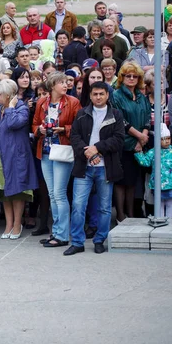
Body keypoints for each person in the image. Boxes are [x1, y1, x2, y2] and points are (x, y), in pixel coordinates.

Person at [67, 81, 125, 255]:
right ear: (90, 96)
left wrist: (97, 147)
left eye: (101, 94)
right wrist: (88, 153)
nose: (98, 97)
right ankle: (77, 242)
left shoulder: (116, 114)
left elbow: (118, 139)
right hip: (84, 166)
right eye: (95, 94)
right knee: (78, 205)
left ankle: (100, 240)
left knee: (105, 207)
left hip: (105, 167)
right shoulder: (82, 114)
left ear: (107, 95)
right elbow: (74, 137)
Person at [32, 72, 81, 248]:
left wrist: (63, 129)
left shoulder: (73, 102)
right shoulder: (42, 102)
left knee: (59, 193)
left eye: (67, 82)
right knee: (52, 194)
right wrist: (40, 130)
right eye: (61, 82)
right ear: (52, 85)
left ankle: (61, 234)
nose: (66, 85)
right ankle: (57, 231)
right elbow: (35, 123)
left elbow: (79, 126)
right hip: (45, 150)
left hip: (62, 150)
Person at [0, 79, 38, 240]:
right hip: (0, 156)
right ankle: (8, 224)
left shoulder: (21, 108)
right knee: (4, 191)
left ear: (9, 95)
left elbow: (13, 124)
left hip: (16, 157)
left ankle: (17, 224)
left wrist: (11, 107)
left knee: (18, 191)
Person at [110, 61, 150, 222]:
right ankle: (120, 215)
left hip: (140, 144)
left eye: (135, 76)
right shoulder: (116, 95)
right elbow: (121, 121)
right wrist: (139, 136)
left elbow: (147, 117)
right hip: (123, 144)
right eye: (128, 75)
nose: (132, 78)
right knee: (121, 182)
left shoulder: (141, 96)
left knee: (133, 181)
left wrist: (143, 137)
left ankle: (131, 214)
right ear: (122, 77)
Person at [135, 123, 172, 217]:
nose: (167, 141)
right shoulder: (153, 151)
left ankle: (169, 223)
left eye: (168, 138)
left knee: (170, 204)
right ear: (157, 140)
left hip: (171, 184)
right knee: (158, 205)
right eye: (163, 139)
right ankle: (160, 221)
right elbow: (145, 162)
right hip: (157, 184)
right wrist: (139, 153)